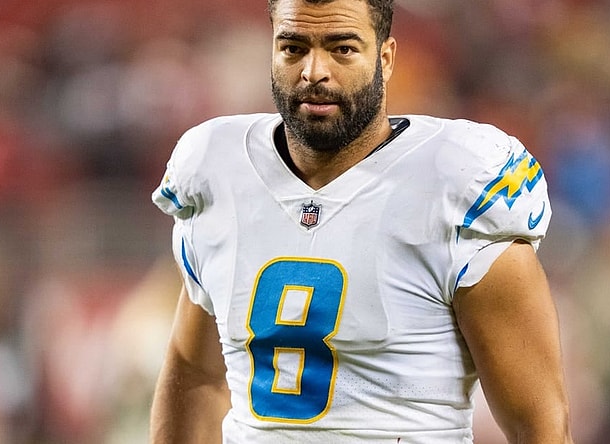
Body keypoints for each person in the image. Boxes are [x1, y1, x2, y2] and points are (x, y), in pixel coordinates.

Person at [150, 0, 573, 442]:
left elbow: (539, 423)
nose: (314, 71)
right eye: (293, 48)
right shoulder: (218, 167)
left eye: (342, 49)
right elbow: (195, 371)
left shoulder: (459, 182)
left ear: (385, 58)